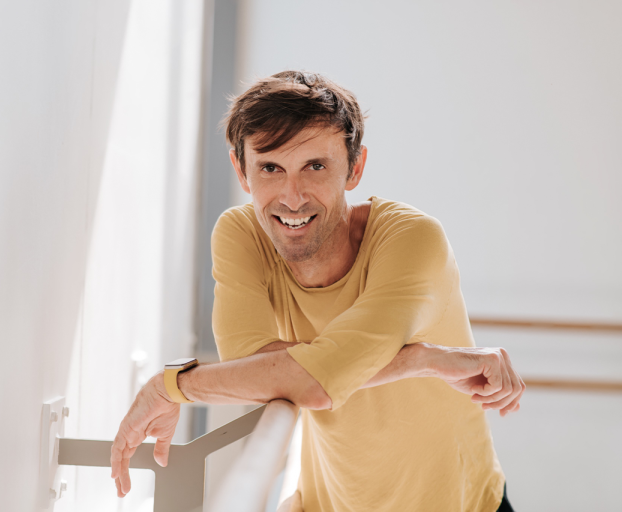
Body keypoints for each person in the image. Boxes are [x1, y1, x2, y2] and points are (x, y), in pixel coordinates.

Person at [110, 71, 523, 511]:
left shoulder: (411, 240)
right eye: (270, 168)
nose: (292, 197)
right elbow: (252, 369)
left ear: (355, 168)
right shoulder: (242, 235)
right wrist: (421, 360)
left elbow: (312, 380)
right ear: (241, 171)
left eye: (315, 166)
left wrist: (171, 386)